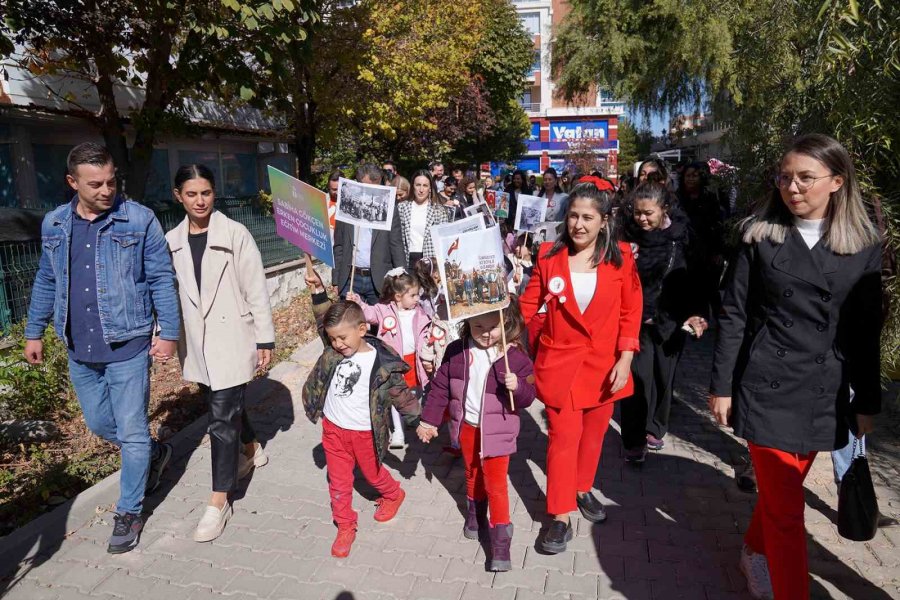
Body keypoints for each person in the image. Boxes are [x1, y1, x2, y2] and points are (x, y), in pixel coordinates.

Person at [709, 134, 882, 600]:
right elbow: (733, 313)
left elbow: (867, 331)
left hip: (825, 390)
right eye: (785, 177)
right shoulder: (758, 235)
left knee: (781, 494)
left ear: (837, 182)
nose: (793, 187)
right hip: (768, 386)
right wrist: (721, 386)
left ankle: (751, 551)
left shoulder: (863, 244)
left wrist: (866, 400)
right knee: (788, 513)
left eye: (806, 177)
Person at [24, 142, 179, 554]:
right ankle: (154, 451)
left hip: (127, 344)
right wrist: (33, 330)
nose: (106, 190)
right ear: (73, 182)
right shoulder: (55, 224)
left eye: (111, 181)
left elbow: (162, 278)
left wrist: (169, 333)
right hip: (79, 347)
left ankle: (129, 512)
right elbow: (46, 279)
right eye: (96, 184)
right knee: (98, 424)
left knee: (130, 431)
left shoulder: (139, 219)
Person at [519, 182, 642, 554]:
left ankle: (582, 488)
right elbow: (526, 306)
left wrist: (625, 358)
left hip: (606, 368)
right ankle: (558, 516)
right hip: (560, 366)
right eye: (573, 215)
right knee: (562, 440)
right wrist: (496, 327)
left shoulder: (620, 257)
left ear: (604, 221)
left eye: (588, 217)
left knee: (593, 438)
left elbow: (630, 310)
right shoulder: (547, 257)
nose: (579, 224)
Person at [165, 164, 274, 542]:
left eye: (206, 193)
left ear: (215, 194)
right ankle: (251, 446)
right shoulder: (170, 241)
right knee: (222, 405)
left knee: (220, 418)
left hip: (232, 336)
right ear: (178, 195)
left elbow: (255, 287)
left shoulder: (235, 234)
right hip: (198, 342)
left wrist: (265, 339)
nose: (200, 201)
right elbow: (167, 294)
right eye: (192, 194)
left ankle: (218, 500)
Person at [302, 269, 421, 558]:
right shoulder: (333, 351)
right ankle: (345, 525)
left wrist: (419, 422)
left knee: (371, 474)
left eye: (342, 338)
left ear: (361, 329)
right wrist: (318, 291)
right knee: (339, 481)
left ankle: (393, 493)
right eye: (332, 339)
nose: (337, 344)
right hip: (333, 430)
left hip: (365, 433)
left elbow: (400, 394)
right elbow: (323, 318)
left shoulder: (381, 362)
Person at [417, 305, 535, 572]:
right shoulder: (457, 351)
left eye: (492, 327)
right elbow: (439, 389)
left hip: (498, 432)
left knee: (496, 485)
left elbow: (528, 397)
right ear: (467, 324)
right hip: (467, 426)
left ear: (506, 324)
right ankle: (475, 514)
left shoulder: (513, 357)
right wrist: (429, 420)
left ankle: (501, 542)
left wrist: (519, 386)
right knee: (471, 473)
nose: (484, 334)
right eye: (477, 327)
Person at [618, 182, 707, 464]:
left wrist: (697, 313)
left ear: (664, 210)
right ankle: (633, 440)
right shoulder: (625, 237)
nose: (642, 219)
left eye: (648, 213)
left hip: (671, 320)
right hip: (635, 320)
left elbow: (696, 278)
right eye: (637, 213)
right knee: (637, 379)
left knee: (663, 377)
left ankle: (656, 427)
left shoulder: (681, 237)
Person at [347, 268, 436, 449]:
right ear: (398, 296)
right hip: (394, 363)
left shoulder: (420, 312)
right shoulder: (383, 310)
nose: (416, 299)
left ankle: (412, 418)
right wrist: (358, 302)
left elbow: (429, 330)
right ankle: (398, 432)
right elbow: (368, 314)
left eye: (417, 295)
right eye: (412, 295)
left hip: (414, 361)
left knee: (414, 393)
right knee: (396, 394)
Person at [332, 163, 405, 304]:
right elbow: (339, 245)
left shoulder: (389, 208)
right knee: (349, 324)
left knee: (380, 325)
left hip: (379, 281)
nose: (371, 193)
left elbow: (396, 245)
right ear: (358, 183)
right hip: (350, 279)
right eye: (367, 188)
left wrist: (401, 278)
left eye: (375, 188)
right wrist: (336, 279)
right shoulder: (346, 207)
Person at [677, 161, 726, 315]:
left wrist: (718, 251)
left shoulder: (710, 198)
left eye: (695, 176)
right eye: (688, 176)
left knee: (707, 290)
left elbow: (717, 225)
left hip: (705, 252)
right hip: (682, 251)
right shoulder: (676, 198)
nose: (690, 179)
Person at [398, 170, 450, 270]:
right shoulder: (402, 207)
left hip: (430, 262)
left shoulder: (439, 210)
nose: (421, 190)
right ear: (413, 186)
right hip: (408, 261)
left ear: (430, 188)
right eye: (418, 185)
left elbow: (444, 241)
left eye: (425, 185)